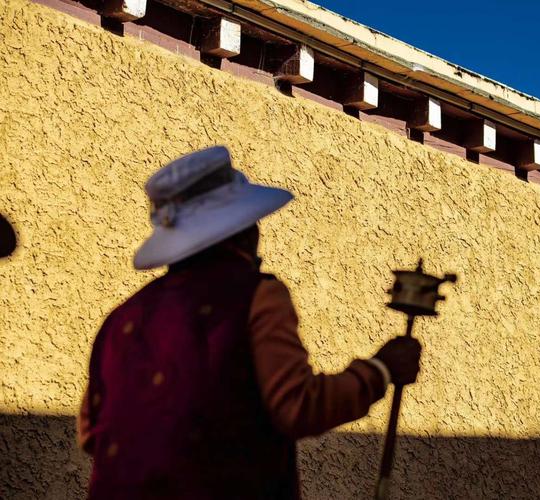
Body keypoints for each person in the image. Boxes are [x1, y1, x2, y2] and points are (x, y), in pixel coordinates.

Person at [77, 146, 422, 499]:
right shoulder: (257, 297)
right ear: (240, 231)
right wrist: (381, 370)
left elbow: (92, 433)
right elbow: (297, 407)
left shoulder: (123, 318)